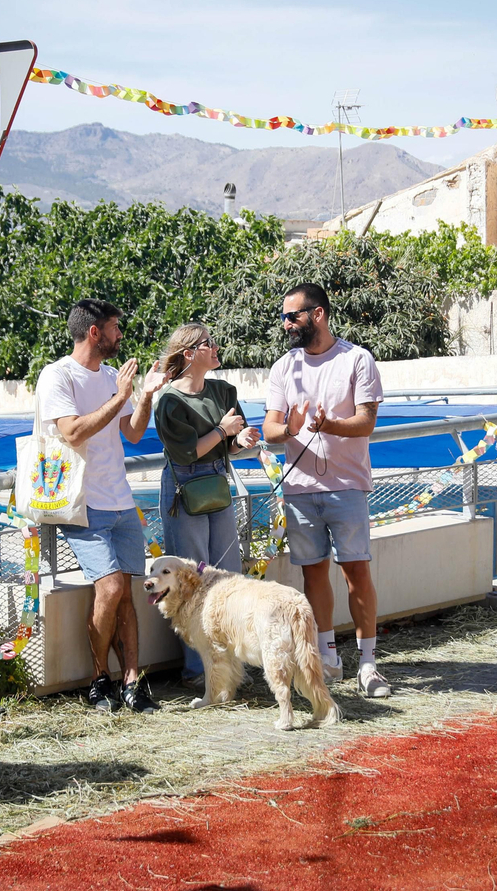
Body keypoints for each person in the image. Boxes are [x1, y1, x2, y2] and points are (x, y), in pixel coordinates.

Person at [37, 298, 167, 714]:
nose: (120, 335)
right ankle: (99, 680)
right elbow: (73, 432)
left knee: (127, 594)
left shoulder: (113, 376)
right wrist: (119, 396)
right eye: (115, 327)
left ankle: (132, 682)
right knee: (109, 587)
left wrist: (143, 396)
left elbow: (131, 431)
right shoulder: (57, 376)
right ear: (94, 332)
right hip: (81, 502)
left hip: (120, 501)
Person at [262, 283, 391, 699]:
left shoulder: (357, 359)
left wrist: (329, 425)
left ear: (317, 314)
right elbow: (270, 427)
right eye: (284, 316)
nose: (286, 324)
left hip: (347, 485)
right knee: (313, 572)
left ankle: (368, 664)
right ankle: (328, 657)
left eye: (292, 316)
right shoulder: (284, 367)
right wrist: (291, 430)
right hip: (300, 490)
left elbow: (366, 422)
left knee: (356, 571)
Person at [153, 322, 261, 684]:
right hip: (185, 487)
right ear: (189, 353)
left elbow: (225, 446)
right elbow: (185, 453)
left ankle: (230, 667)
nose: (216, 348)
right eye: (208, 343)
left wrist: (240, 440)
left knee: (228, 574)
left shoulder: (223, 391)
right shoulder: (169, 400)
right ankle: (198, 670)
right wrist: (223, 431)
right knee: (190, 580)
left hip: (216, 482)